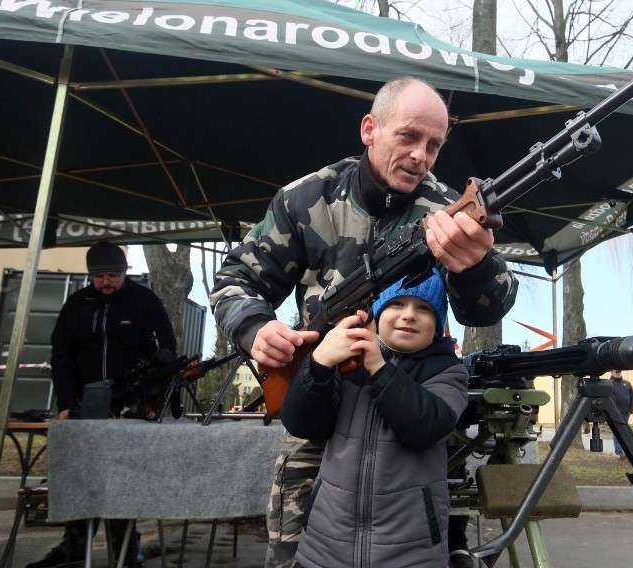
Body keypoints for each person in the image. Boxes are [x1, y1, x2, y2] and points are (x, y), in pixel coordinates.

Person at [210, 76, 517, 568]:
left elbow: (489, 306)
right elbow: (236, 279)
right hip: (318, 395)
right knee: (294, 552)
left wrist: (476, 265)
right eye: (409, 136)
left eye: (434, 145)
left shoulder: (444, 211)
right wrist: (255, 329)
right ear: (369, 129)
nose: (422, 156)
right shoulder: (307, 198)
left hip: (409, 410)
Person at [280, 270, 469, 567]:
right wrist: (318, 364)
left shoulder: (448, 372)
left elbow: (429, 426)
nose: (409, 315)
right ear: (377, 314)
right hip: (325, 548)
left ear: (438, 327)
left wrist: (380, 370)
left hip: (410, 554)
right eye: (397, 305)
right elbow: (301, 424)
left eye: (423, 308)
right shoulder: (347, 363)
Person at [26, 241, 176, 568]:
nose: (105, 281)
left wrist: (153, 400)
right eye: (98, 276)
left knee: (121, 478)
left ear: (124, 273)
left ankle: (125, 549)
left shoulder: (145, 301)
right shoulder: (77, 304)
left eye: (111, 275)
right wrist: (66, 403)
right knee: (79, 475)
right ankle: (74, 546)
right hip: (84, 408)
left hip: (130, 411)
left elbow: (166, 355)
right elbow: (62, 355)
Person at [608, 369, 633, 457]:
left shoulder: (627, 383)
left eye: (619, 372)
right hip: (615, 412)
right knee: (617, 431)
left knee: (625, 431)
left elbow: (632, 397)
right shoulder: (609, 384)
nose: (618, 373)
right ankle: (618, 450)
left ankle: (626, 449)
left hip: (626, 412)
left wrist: (631, 409)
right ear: (612, 372)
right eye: (616, 372)